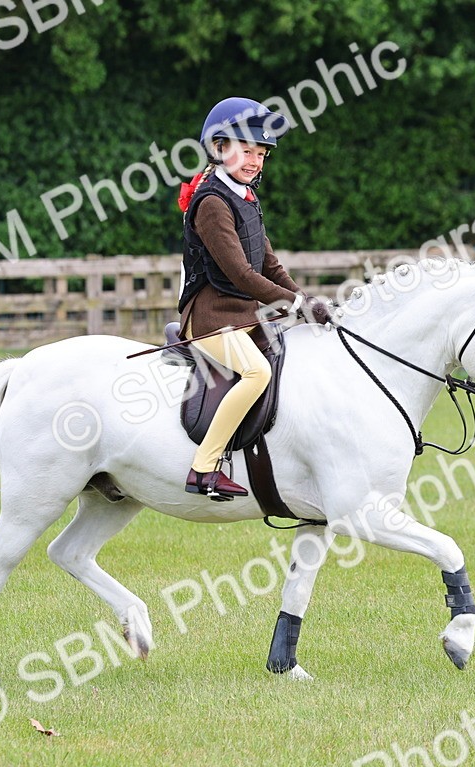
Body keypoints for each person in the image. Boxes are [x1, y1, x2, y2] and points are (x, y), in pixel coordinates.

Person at [176, 97, 330, 500]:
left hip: (241, 315)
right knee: (257, 373)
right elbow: (241, 275)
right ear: (218, 148)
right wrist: (295, 307)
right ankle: (204, 467)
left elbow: (269, 265)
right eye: (247, 151)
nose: (255, 161)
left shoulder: (245, 198)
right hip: (210, 317)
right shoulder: (211, 202)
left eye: (261, 154)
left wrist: (306, 298)